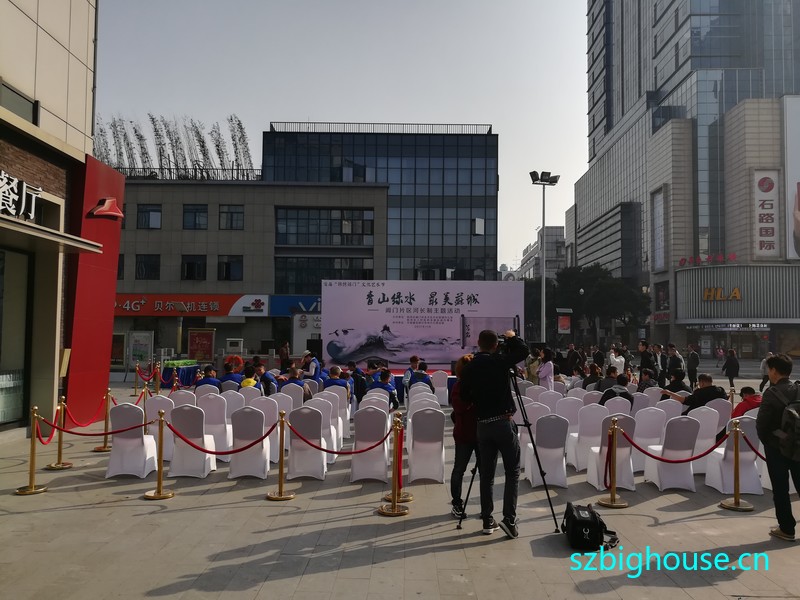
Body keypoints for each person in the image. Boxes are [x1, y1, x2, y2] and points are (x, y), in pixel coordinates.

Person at [460, 329, 529, 539]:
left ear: (478, 343)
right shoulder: (499, 361)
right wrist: (512, 337)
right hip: (503, 422)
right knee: (512, 471)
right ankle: (509, 519)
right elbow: (523, 351)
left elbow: (464, 397)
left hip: (482, 425)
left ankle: (487, 519)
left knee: (486, 474)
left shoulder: (470, 367)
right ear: (495, 345)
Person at [756, 353, 800, 541]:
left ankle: (787, 529)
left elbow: (762, 424)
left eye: (769, 369)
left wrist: (770, 441)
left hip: (777, 448)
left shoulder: (771, 393)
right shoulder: (798, 388)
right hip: (799, 444)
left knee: (781, 489)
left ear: (774, 371)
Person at [449, 354, 478, 519]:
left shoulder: (481, 385)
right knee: (459, 469)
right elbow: (459, 407)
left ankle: (486, 508)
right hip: (464, 433)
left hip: (480, 433)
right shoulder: (458, 387)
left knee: (485, 472)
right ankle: (456, 503)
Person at [661, 372, 726, 414]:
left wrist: (670, 393)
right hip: (715, 416)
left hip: (697, 415)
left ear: (702, 383)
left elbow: (684, 400)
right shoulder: (721, 391)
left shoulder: (700, 393)